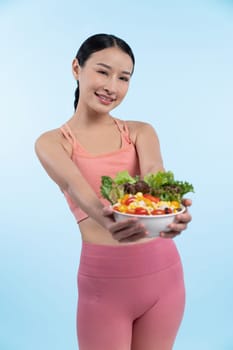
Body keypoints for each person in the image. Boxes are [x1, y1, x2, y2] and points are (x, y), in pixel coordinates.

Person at [35, 33, 192, 350]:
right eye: (103, 72)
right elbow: (75, 188)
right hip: (105, 285)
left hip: (165, 276)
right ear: (76, 68)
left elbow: (153, 174)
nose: (112, 87)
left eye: (124, 78)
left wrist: (171, 206)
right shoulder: (53, 142)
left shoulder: (140, 131)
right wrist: (110, 223)